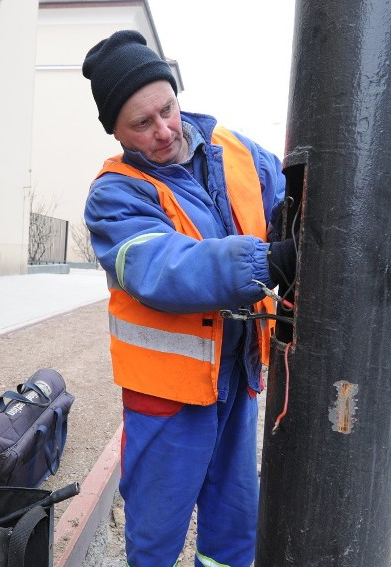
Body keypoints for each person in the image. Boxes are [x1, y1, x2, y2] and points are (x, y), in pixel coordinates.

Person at [82, 30, 296, 567]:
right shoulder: (115, 194)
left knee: (233, 530)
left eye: (168, 109)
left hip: (239, 379)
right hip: (168, 397)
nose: (164, 131)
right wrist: (265, 262)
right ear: (117, 131)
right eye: (142, 124)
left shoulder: (240, 154)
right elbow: (161, 268)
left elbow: (299, 195)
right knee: (155, 536)